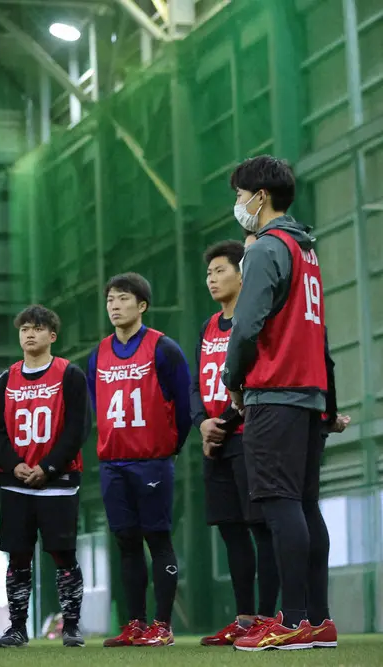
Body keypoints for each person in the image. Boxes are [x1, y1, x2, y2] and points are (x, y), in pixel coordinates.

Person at [221, 156, 336, 651]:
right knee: (306, 504)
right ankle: (318, 619)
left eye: (240, 194)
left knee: (280, 502)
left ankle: (291, 620)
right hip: (309, 394)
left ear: (260, 196)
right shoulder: (306, 249)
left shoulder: (267, 247)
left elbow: (246, 326)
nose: (238, 203)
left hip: (275, 390)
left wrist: (232, 378)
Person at [88, 272, 191, 648]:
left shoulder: (164, 349)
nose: (115, 306)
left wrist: (169, 447)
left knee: (157, 539)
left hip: (152, 461)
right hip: (113, 463)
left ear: (142, 305)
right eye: (110, 300)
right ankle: (134, 623)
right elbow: (97, 404)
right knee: (126, 542)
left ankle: (162, 625)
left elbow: (184, 405)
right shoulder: (97, 354)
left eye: (123, 299)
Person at [192, 240, 281, 646]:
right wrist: (202, 424)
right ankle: (244, 618)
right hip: (215, 444)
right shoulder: (209, 326)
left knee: (261, 528)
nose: (211, 279)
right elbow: (196, 383)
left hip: (247, 437)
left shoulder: (256, 320)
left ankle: (270, 616)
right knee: (230, 530)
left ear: (242, 275)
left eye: (220, 271)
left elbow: (255, 379)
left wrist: (223, 425)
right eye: (209, 273)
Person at [0, 305, 90, 649]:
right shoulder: (3, 380)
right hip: (16, 483)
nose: (30, 334)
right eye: (24, 329)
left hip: (58, 483)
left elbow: (77, 428)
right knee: (17, 557)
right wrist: (13, 464)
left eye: (38, 328)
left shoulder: (70, 375)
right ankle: (17, 627)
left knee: (63, 555)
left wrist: (48, 467)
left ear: (52, 335)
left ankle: (71, 626)